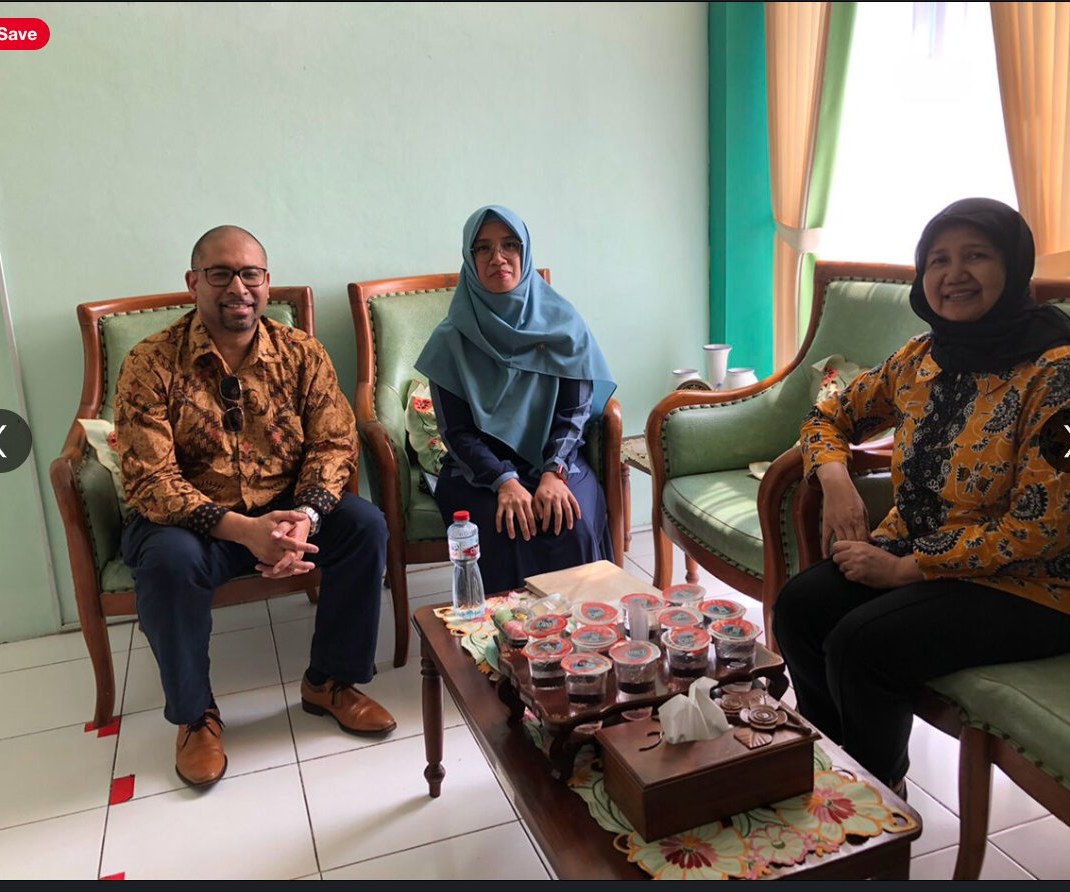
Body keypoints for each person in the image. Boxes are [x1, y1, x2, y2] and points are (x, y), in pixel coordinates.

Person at [773, 197, 1070, 796]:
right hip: (923, 552)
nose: (953, 274)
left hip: (1031, 582)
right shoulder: (924, 356)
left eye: (975, 256)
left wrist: (909, 568)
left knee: (863, 646)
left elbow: (1043, 526)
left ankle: (878, 799)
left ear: (1013, 267)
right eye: (938, 259)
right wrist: (834, 481)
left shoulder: (1055, 372)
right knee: (799, 608)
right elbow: (830, 411)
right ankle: (834, 772)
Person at [115, 225, 395, 789]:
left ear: (267, 284)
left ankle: (330, 682)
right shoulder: (149, 363)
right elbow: (151, 478)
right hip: (191, 525)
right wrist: (244, 530)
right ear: (193, 283)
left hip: (288, 512)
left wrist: (306, 518)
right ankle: (196, 717)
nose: (237, 287)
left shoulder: (301, 353)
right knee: (167, 562)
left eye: (251, 274)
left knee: (364, 526)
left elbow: (334, 443)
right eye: (220, 274)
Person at [414, 205, 617, 594]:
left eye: (510, 245)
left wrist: (552, 471)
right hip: (480, 472)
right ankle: (503, 643)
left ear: (525, 253)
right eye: (483, 248)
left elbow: (574, 412)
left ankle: (587, 637)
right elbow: (456, 432)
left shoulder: (564, 324)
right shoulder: (450, 339)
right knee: (501, 527)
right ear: (469, 259)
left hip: (558, 459)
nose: (498, 258)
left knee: (571, 522)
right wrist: (504, 480)